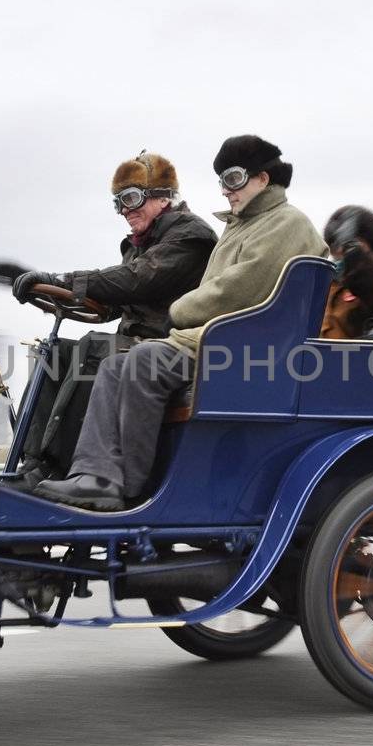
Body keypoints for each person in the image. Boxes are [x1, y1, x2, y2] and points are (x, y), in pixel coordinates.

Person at [31, 135, 327, 510]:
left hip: (242, 347)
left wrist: (180, 311)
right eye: (222, 181)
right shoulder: (242, 226)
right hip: (215, 339)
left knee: (140, 362)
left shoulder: (285, 223)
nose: (225, 191)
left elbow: (237, 289)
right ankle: (93, 476)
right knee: (113, 365)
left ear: (264, 179)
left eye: (233, 179)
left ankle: (133, 486)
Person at [0, 151, 216, 341]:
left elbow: (136, 280)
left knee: (89, 351)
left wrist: (58, 279)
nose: (124, 211)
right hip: (135, 343)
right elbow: (109, 305)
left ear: (163, 198)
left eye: (130, 199)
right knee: (57, 354)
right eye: (118, 203)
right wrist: (43, 286)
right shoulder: (140, 244)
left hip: (171, 345)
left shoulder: (189, 235)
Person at [320, 205, 373, 338]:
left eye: (347, 242)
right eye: (334, 244)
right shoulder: (329, 281)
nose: (339, 250)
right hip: (317, 355)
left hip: (353, 356)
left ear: (368, 242)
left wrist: (355, 255)